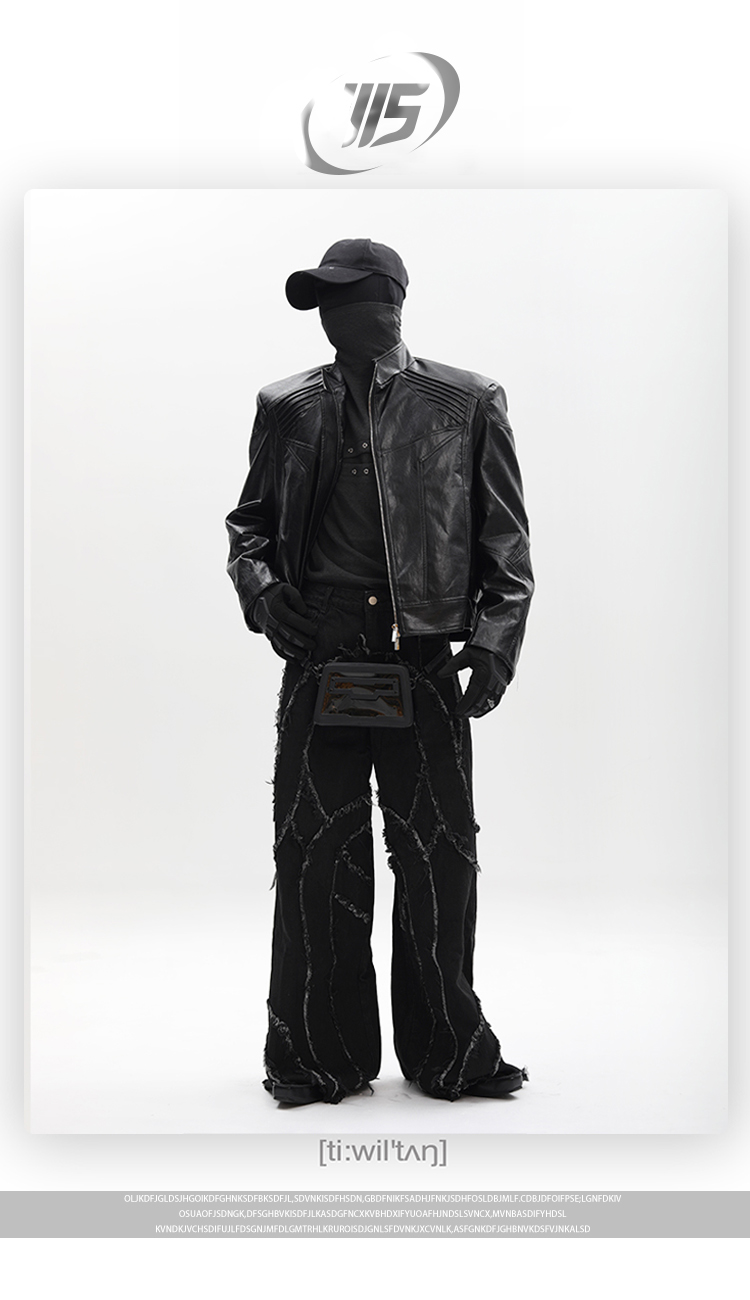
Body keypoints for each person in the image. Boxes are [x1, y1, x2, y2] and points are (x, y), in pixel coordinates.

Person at [226, 239, 534, 1105]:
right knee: (314, 853)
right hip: (320, 648)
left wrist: (496, 640)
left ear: (392, 302)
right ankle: (315, 1054)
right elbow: (248, 525)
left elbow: (507, 539)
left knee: (439, 857)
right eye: (323, 302)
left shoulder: (465, 401)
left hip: (423, 651)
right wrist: (262, 591)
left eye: (349, 297)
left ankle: (450, 1052)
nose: (333, 315)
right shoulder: (287, 405)